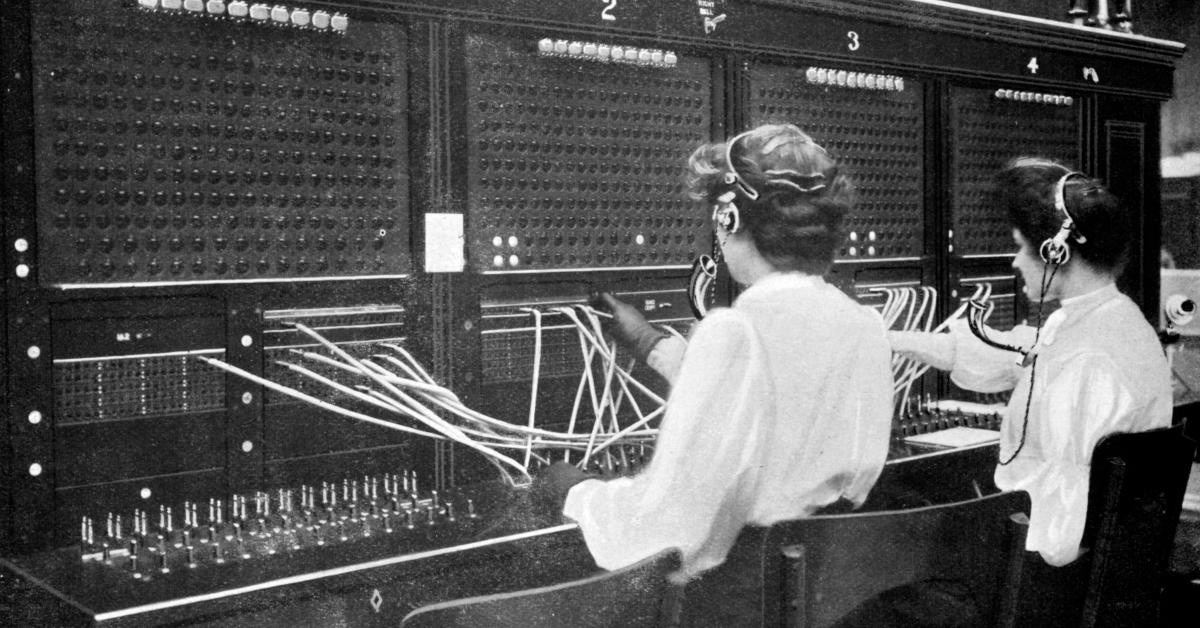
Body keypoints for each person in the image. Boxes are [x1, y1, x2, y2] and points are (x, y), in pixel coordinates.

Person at [535, 123, 895, 587]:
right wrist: (647, 341)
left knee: (542, 504)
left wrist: (578, 492)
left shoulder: (733, 329)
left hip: (723, 596)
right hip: (804, 585)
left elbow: (667, 525)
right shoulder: (865, 325)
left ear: (727, 218)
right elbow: (762, 398)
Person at [889, 156, 1173, 568]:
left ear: (1055, 251)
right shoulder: (1103, 320)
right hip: (1075, 562)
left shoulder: (1088, 360)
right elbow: (999, 353)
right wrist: (889, 339)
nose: (1015, 262)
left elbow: (1060, 535)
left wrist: (971, 540)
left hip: (1045, 577)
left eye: (1021, 248)